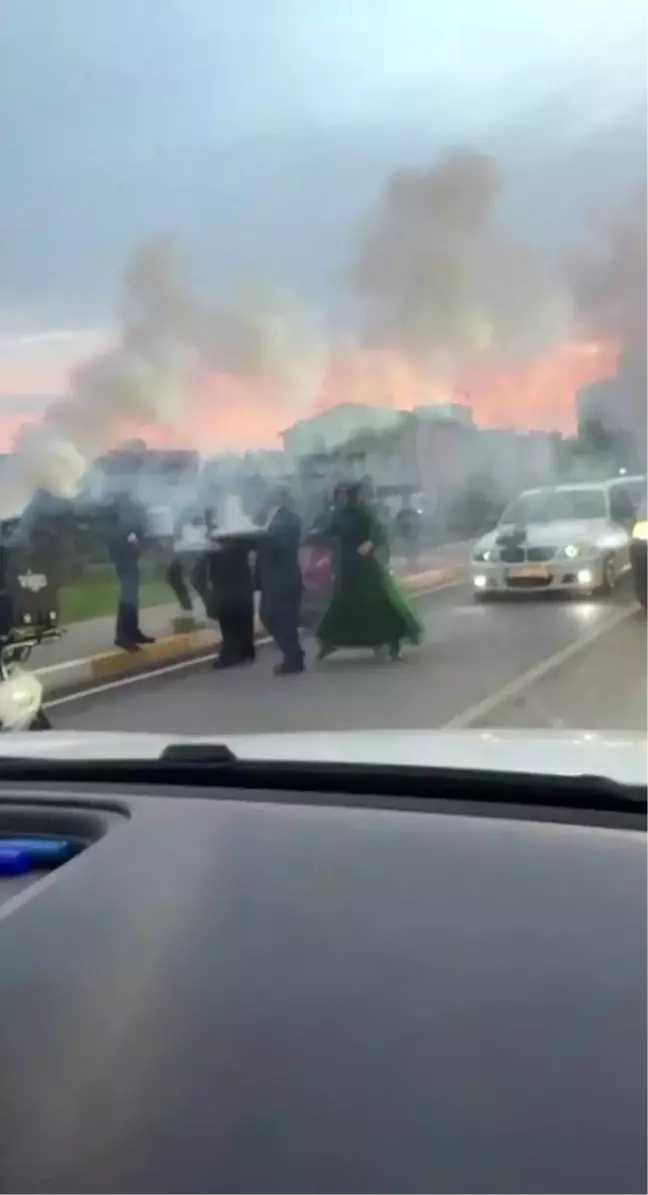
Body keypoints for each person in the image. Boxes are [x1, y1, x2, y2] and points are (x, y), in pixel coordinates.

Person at [316, 483, 423, 661]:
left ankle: (393, 643)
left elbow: (378, 533)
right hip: (347, 568)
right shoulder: (339, 515)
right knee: (341, 605)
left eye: (343, 494)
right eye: (339, 494)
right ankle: (329, 642)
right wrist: (312, 536)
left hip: (365, 568)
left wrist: (370, 543)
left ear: (351, 495)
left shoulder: (363, 512)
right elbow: (328, 532)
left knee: (377, 604)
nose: (340, 498)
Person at [256, 487, 305, 675]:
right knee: (272, 617)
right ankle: (293, 655)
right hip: (273, 580)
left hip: (284, 580)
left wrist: (261, 538)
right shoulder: (270, 518)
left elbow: (281, 545)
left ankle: (293, 658)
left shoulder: (289, 519)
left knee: (282, 619)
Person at [105, 497, 155, 652]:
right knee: (128, 596)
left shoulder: (124, 513)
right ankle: (122, 635)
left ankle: (132, 631)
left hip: (126, 556)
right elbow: (120, 535)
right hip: (123, 557)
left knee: (132, 595)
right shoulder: (119, 514)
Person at [206, 533, 256, 669]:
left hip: (227, 588)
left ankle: (231, 654)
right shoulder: (242, 540)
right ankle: (246, 651)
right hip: (241, 586)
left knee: (230, 623)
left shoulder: (219, 545)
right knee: (243, 619)